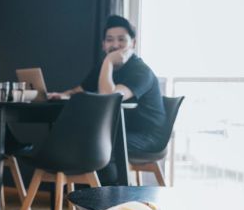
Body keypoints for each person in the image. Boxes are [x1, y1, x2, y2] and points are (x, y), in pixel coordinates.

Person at [48, 15, 166, 183]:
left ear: (133, 43)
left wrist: (109, 61)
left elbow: (108, 98)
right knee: (86, 140)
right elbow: (79, 90)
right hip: (119, 132)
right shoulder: (103, 67)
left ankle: (116, 199)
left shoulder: (140, 71)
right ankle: (100, 197)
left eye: (121, 40)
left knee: (102, 145)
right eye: (110, 40)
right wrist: (62, 95)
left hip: (147, 135)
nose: (115, 45)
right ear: (103, 44)